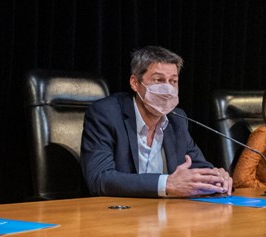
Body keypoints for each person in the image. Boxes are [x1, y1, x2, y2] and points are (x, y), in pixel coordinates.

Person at [81, 45, 232, 198]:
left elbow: (199, 166)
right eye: (159, 80)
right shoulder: (106, 114)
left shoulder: (177, 119)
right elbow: (99, 180)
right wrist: (166, 184)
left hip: (163, 214)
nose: (167, 89)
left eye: (173, 81)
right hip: (117, 214)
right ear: (135, 82)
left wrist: (216, 178)